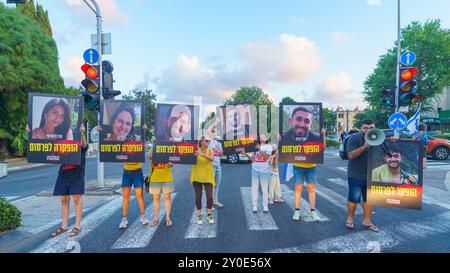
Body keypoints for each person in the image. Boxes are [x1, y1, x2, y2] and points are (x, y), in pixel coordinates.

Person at [28, 123, 87, 237]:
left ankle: (77, 226)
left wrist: (82, 133)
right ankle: (64, 226)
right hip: (63, 172)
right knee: (63, 199)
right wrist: (30, 134)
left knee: (76, 199)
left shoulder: (78, 138)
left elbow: (84, 146)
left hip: (77, 173)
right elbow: (43, 147)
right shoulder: (60, 140)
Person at [346, 119, 379, 232]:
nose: (368, 130)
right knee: (354, 199)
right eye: (366, 128)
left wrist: (395, 140)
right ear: (361, 129)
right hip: (356, 174)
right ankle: (350, 219)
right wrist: (365, 146)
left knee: (369, 199)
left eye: (371, 128)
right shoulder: (355, 138)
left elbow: (389, 148)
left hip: (372, 175)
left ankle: (367, 221)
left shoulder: (378, 137)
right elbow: (351, 155)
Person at [292, 128, 327, 222]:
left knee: (311, 189)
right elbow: (286, 148)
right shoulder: (295, 136)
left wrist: (322, 136)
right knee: (298, 189)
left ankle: (313, 211)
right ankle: (297, 211)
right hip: (298, 165)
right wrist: (280, 139)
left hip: (311, 166)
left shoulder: (315, 136)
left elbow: (323, 148)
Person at [148, 137, 175, 228]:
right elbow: (150, 157)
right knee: (156, 198)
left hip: (167, 176)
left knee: (167, 197)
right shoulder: (153, 149)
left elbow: (173, 159)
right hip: (155, 177)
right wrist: (154, 144)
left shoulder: (168, 149)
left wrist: (171, 163)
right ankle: (156, 219)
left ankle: (168, 218)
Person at [241, 134, 272, 213]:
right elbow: (252, 159)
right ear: (259, 138)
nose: (262, 138)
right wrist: (246, 154)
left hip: (265, 171)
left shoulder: (268, 147)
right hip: (255, 170)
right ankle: (254, 205)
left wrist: (260, 149)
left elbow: (266, 158)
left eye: (264, 137)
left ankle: (265, 205)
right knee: (254, 188)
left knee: (264, 189)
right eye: (261, 137)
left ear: (266, 139)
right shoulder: (253, 146)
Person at [191, 136, 216, 225]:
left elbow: (212, 158)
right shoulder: (195, 150)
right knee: (198, 196)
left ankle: (209, 214)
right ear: (201, 142)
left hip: (208, 177)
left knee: (210, 197)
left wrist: (202, 154)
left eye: (209, 140)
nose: (208, 141)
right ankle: (199, 215)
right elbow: (188, 157)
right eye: (206, 140)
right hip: (197, 176)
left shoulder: (210, 150)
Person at [208, 127, 224, 209]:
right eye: (212, 131)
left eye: (215, 131)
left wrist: (221, 151)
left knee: (217, 185)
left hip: (218, 166)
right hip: (210, 166)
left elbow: (221, 155)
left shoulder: (218, 143)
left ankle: (215, 202)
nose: (214, 133)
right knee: (210, 186)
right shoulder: (207, 142)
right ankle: (209, 204)